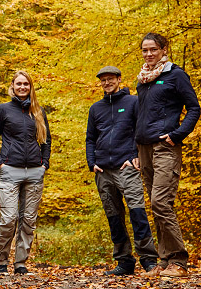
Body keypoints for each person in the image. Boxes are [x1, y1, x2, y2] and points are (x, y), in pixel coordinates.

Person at [134, 32, 200, 278]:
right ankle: (164, 262)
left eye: (153, 49)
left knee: (161, 202)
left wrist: (178, 134)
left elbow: (194, 108)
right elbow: (140, 116)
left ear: (163, 49)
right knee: (155, 205)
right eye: (145, 50)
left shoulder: (176, 75)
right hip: (144, 148)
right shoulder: (143, 79)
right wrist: (136, 148)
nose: (148, 54)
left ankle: (180, 262)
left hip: (165, 147)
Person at [85, 66, 158, 276]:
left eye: (110, 79)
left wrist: (136, 156)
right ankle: (124, 261)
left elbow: (141, 131)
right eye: (103, 80)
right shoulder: (95, 108)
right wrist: (92, 163)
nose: (107, 83)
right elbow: (90, 138)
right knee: (114, 217)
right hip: (103, 170)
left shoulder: (133, 102)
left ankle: (148, 260)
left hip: (126, 167)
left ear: (119, 79)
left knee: (137, 212)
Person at [0, 71, 51, 275]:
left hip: (34, 172)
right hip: (9, 170)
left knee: (28, 220)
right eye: (19, 84)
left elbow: (46, 141)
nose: (22, 87)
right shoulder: (3, 110)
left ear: (31, 87)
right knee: (9, 219)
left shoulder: (38, 111)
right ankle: (2, 262)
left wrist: (44, 165)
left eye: (26, 84)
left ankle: (20, 263)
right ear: (12, 86)